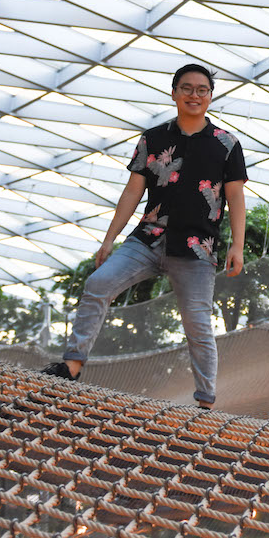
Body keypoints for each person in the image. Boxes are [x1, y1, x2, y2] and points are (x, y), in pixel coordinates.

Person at [42, 63, 247, 409]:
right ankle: (72, 365)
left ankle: (205, 403)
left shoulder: (226, 144)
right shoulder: (153, 138)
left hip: (197, 249)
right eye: (186, 88)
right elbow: (131, 192)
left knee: (198, 327)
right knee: (98, 284)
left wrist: (238, 246)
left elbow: (236, 197)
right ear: (174, 93)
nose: (193, 95)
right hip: (148, 238)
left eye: (201, 89)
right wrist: (109, 239)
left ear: (210, 96)